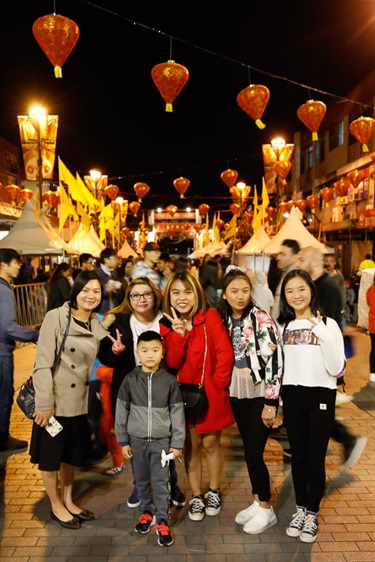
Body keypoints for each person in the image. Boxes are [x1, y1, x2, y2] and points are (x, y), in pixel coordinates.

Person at [98, 276, 186, 508]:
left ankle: (170, 483)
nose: (142, 299)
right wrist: (115, 352)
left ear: (154, 295)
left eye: (147, 294)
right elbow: (105, 357)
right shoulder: (118, 321)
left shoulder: (166, 319)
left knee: (164, 440)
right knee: (136, 443)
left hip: (161, 390)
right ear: (129, 298)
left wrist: (179, 335)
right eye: (135, 295)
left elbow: (176, 357)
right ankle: (139, 485)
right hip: (130, 390)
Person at [29, 271, 109, 529]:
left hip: (78, 403)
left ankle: (68, 500)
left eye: (96, 291)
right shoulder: (57, 317)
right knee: (51, 458)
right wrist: (44, 403)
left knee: (70, 456)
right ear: (75, 291)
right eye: (85, 290)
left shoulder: (94, 322)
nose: (91, 295)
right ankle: (55, 505)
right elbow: (41, 363)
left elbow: (104, 349)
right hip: (55, 402)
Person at [277, 269, 346, 543]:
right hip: (292, 397)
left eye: (301, 289)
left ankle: (312, 514)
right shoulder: (283, 327)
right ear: (284, 296)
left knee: (316, 459)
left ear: (311, 290)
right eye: (290, 291)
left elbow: (338, 367)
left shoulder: (328, 324)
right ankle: (301, 509)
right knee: (299, 458)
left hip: (321, 395)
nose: (296, 295)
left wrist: (322, 333)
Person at [162, 271, 234, 521]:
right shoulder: (168, 323)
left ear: (197, 293)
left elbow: (224, 353)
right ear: (169, 295)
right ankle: (196, 495)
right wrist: (179, 335)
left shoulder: (210, 317)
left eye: (187, 291)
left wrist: (220, 385)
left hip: (211, 394)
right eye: (176, 292)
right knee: (190, 447)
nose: (182, 298)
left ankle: (213, 490)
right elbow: (171, 361)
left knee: (211, 444)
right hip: (182, 398)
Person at [218, 268, 283, 534]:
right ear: (225, 294)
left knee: (255, 454)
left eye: (245, 290)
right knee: (248, 450)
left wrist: (271, 402)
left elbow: (275, 360)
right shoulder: (222, 319)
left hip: (259, 393)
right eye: (234, 291)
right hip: (237, 392)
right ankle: (257, 501)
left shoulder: (261, 318)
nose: (240, 296)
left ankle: (267, 509)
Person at [295, 246, 368, 468]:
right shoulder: (315, 286)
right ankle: (341, 441)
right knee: (314, 409)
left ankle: (348, 439)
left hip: (321, 361)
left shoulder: (326, 287)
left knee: (318, 409)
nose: (299, 262)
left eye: (302, 258)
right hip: (311, 360)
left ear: (315, 262)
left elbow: (328, 325)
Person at [115, 331, 185, 547]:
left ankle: (163, 521)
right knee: (141, 481)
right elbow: (121, 411)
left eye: (155, 350)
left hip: (162, 443)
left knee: (161, 483)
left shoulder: (169, 382)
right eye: (144, 351)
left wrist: (177, 444)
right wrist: (123, 440)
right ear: (137, 353)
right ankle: (147, 511)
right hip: (136, 442)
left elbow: (177, 414)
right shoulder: (130, 380)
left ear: (163, 353)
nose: (150, 355)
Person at [0, 249, 39, 453]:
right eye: (15, 262)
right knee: (4, 395)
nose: (19, 266)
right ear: (3, 265)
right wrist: (34, 335)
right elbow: (8, 326)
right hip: (2, 353)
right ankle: (2, 438)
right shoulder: (4, 290)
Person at [95, 365, 125, 475]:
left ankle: (118, 464)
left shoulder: (115, 371)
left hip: (115, 413)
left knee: (114, 439)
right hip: (110, 412)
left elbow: (101, 373)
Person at [271, 239, 300, 320]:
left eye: (283, 254)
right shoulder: (287, 274)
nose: (278, 258)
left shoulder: (294, 277)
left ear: (294, 257)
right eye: (279, 254)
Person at [96, 248, 125, 314]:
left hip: (114, 313)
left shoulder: (114, 274)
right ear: (106, 260)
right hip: (101, 314)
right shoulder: (96, 275)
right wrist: (106, 290)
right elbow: (93, 295)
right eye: (115, 258)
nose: (117, 261)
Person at [366, 274, 375, 383]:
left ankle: (373, 373)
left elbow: (369, 304)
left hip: (372, 324)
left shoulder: (370, 290)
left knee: (374, 349)